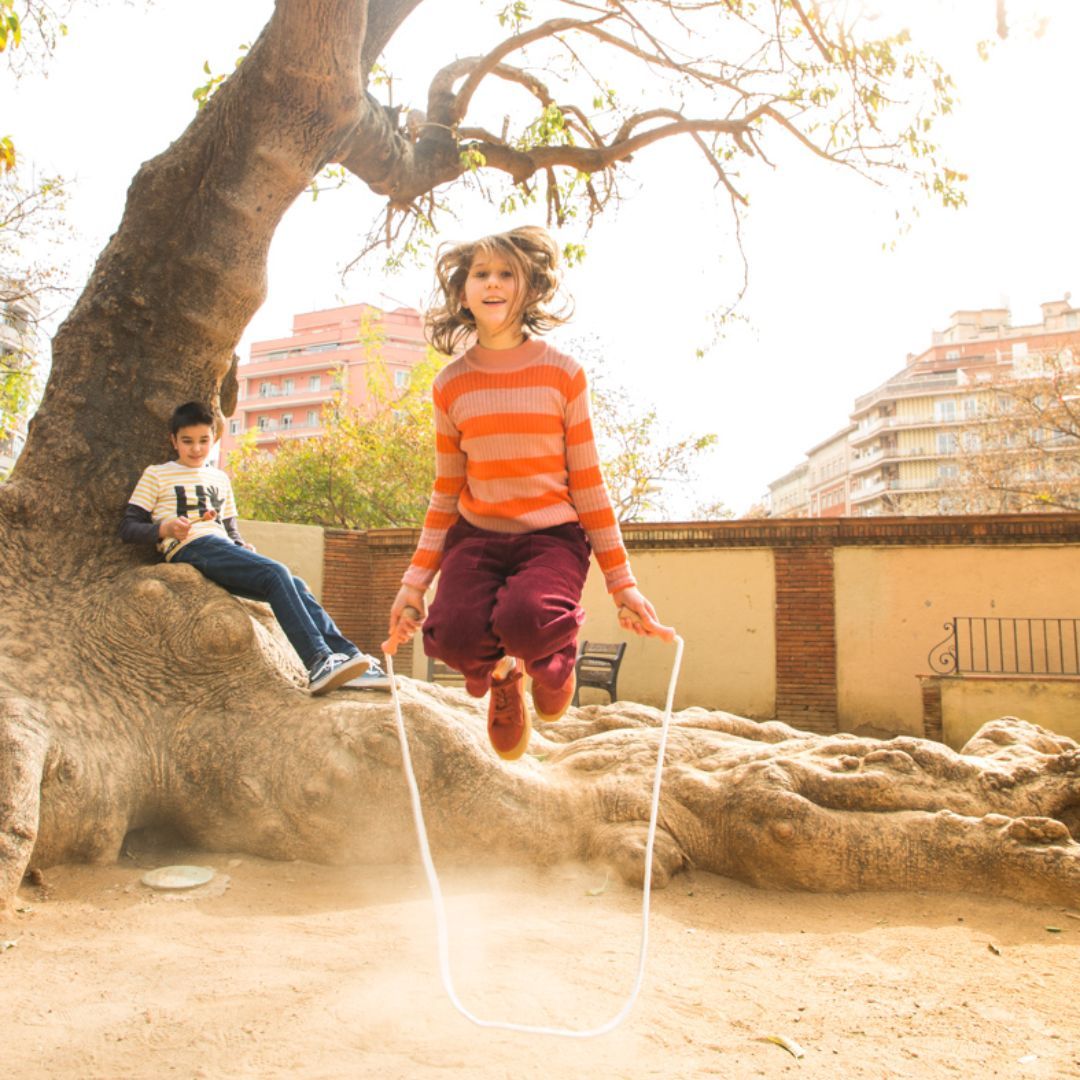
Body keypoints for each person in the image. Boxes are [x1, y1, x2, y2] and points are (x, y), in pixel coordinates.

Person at [385, 226, 673, 761]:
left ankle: (553, 658)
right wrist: (413, 585)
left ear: (531, 288)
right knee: (449, 636)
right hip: (477, 536)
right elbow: (446, 493)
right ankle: (502, 676)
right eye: (480, 274)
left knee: (526, 619)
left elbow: (588, 482)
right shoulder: (451, 384)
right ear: (463, 292)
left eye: (506, 274)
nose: (492, 284)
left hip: (552, 537)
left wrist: (621, 583)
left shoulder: (563, 374)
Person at [120, 400, 389, 695]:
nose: (196, 449)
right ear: (173, 441)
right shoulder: (158, 474)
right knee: (277, 573)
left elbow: (229, 527)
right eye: (187, 442)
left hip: (220, 548)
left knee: (294, 584)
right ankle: (318, 660)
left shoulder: (219, 478)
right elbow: (129, 527)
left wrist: (241, 545)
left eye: (203, 441)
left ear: (214, 439)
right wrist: (164, 528)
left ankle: (350, 659)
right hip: (190, 547)